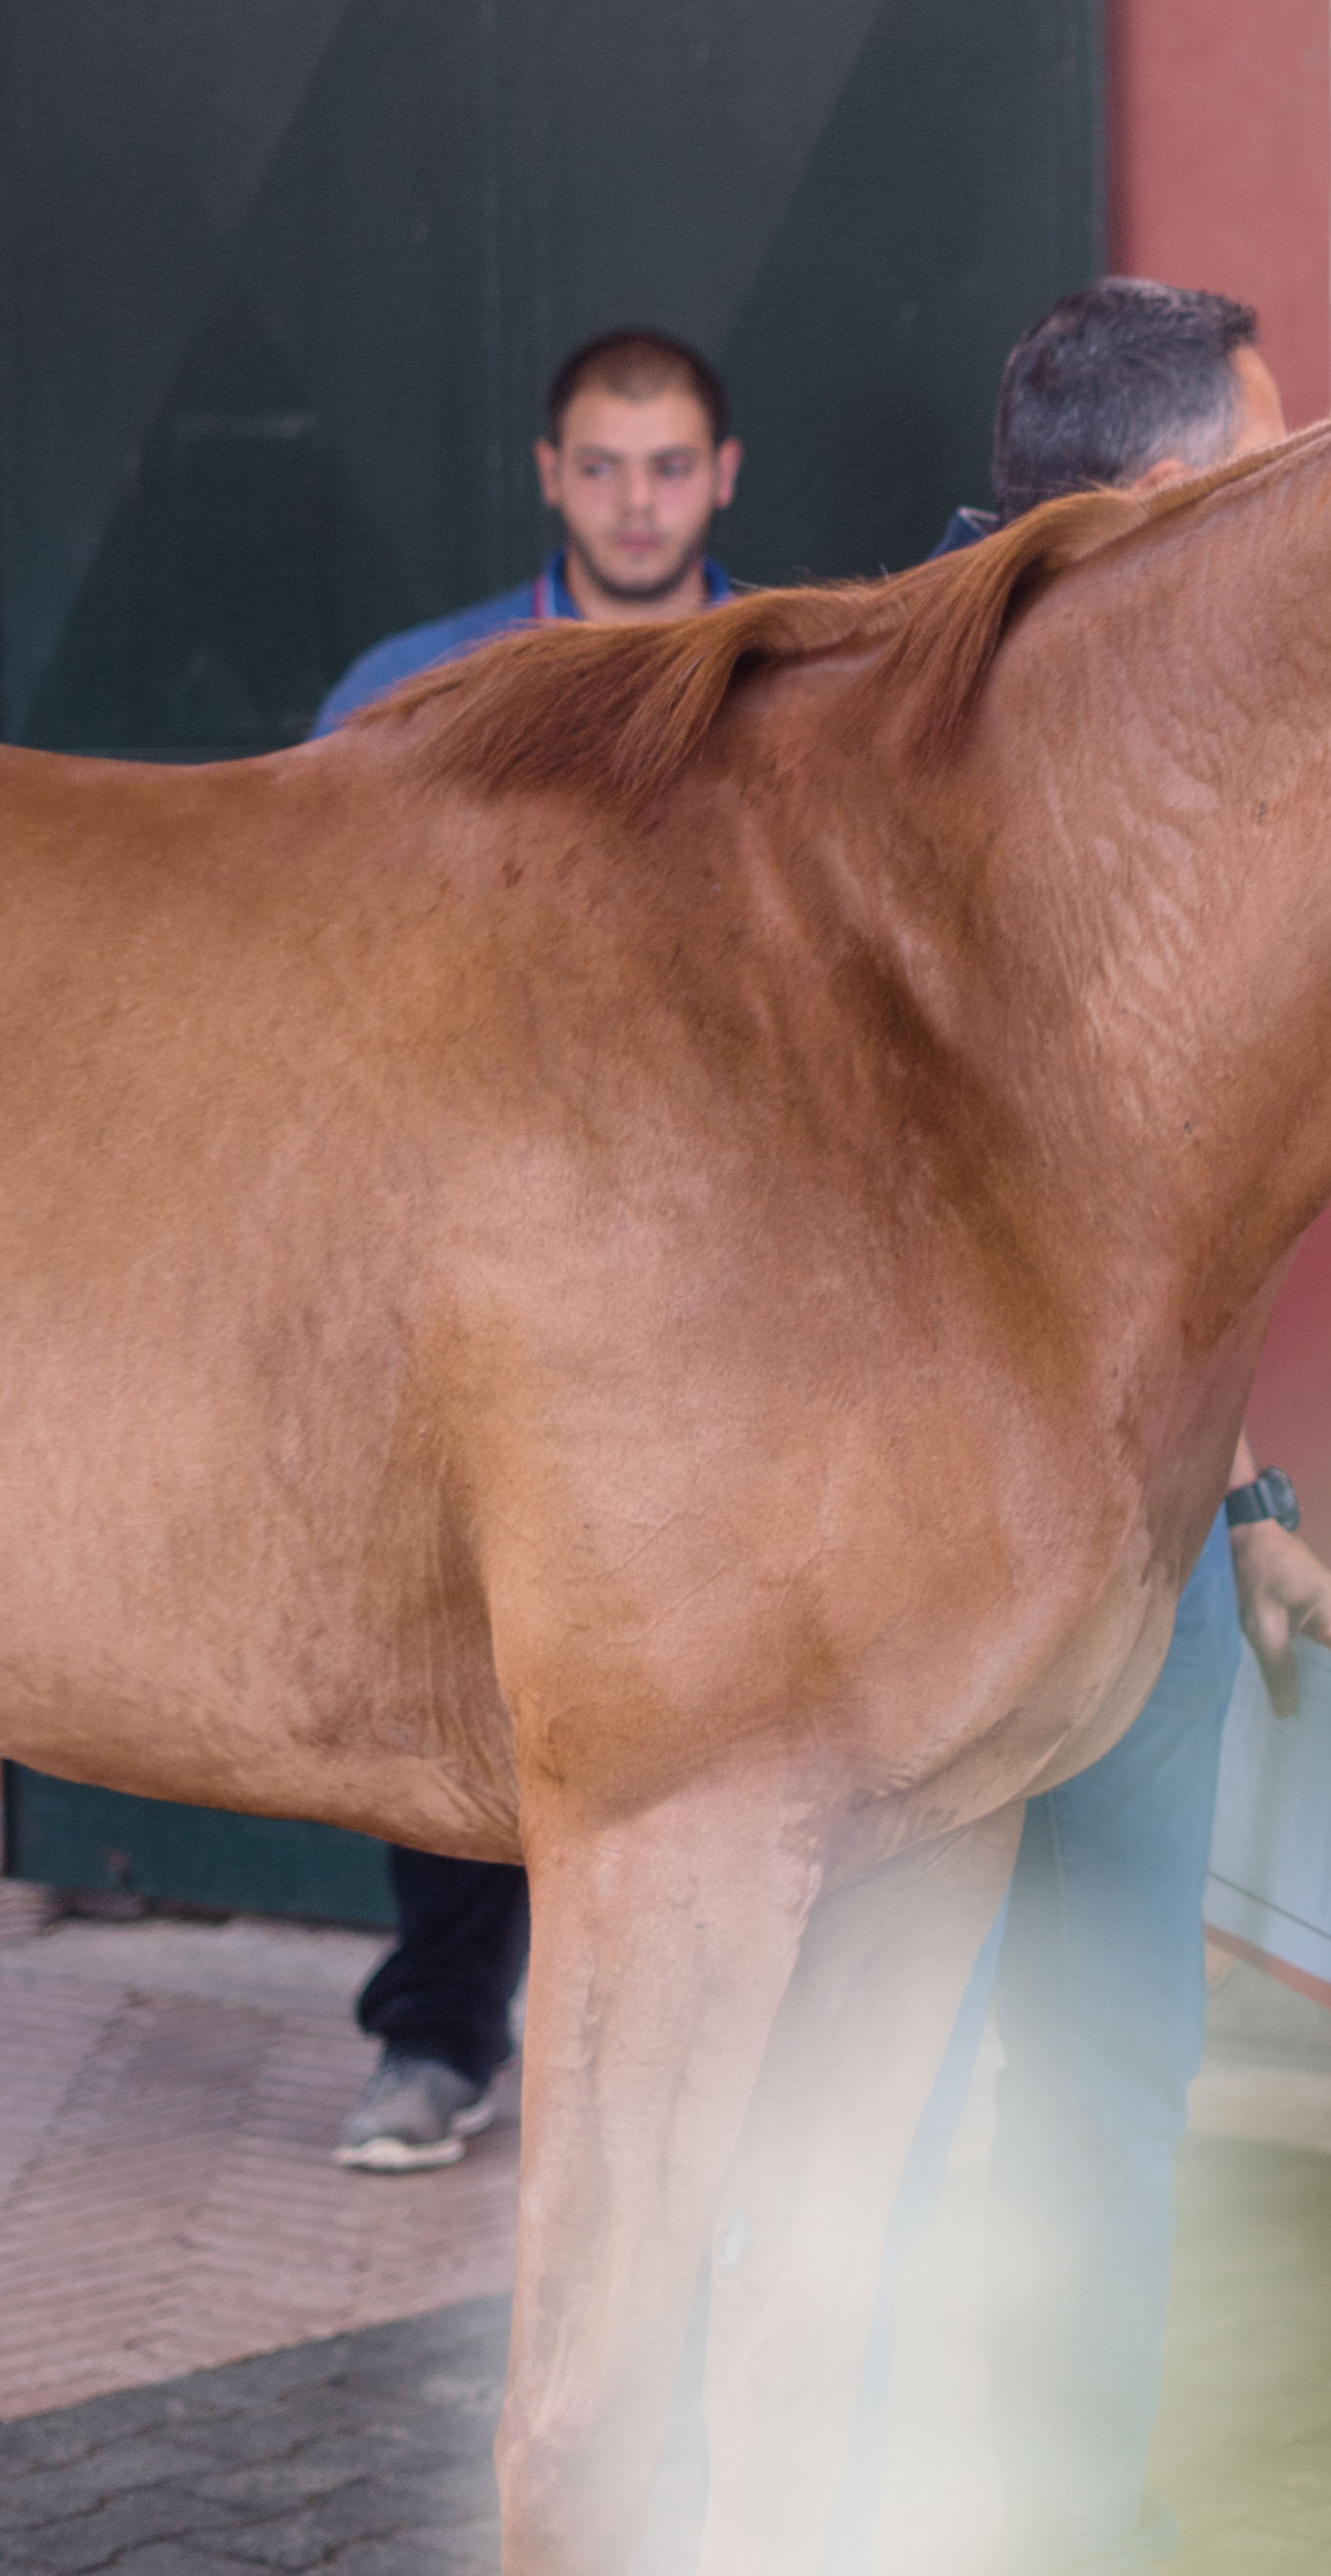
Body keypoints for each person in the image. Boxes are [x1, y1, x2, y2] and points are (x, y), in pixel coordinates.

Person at [869, 275, 1331, 2574]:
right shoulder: (891, 731)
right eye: (1266, 455)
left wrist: (1247, 1492)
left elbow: (1162, 1218)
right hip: (922, 1573)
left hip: (1146, 1546)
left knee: (1108, 2072)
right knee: (868, 2092)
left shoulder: (1205, 743)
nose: (1291, 485)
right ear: (1174, 492)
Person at [313, 326, 748, 2175]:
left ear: (723, 475)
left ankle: (711, 2072)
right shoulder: (412, 693)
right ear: (548, 477)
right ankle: (437, 2039)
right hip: (478, 1259)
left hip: (738, 1274)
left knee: (733, 1669)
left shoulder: (808, 683)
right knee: (466, 1661)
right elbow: (310, 976)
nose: (636, 500)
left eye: (668, 466)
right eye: (603, 465)